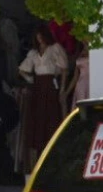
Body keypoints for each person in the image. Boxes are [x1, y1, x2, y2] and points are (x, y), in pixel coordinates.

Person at [18, 27, 69, 176]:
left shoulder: (55, 48)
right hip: (38, 86)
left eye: (41, 36)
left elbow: (64, 69)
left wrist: (62, 88)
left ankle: (52, 154)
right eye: (37, 37)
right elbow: (22, 69)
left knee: (51, 117)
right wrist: (30, 79)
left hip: (50, 85)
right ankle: (38, 159)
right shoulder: (33, 53)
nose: (39, 39)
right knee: (38, 119)